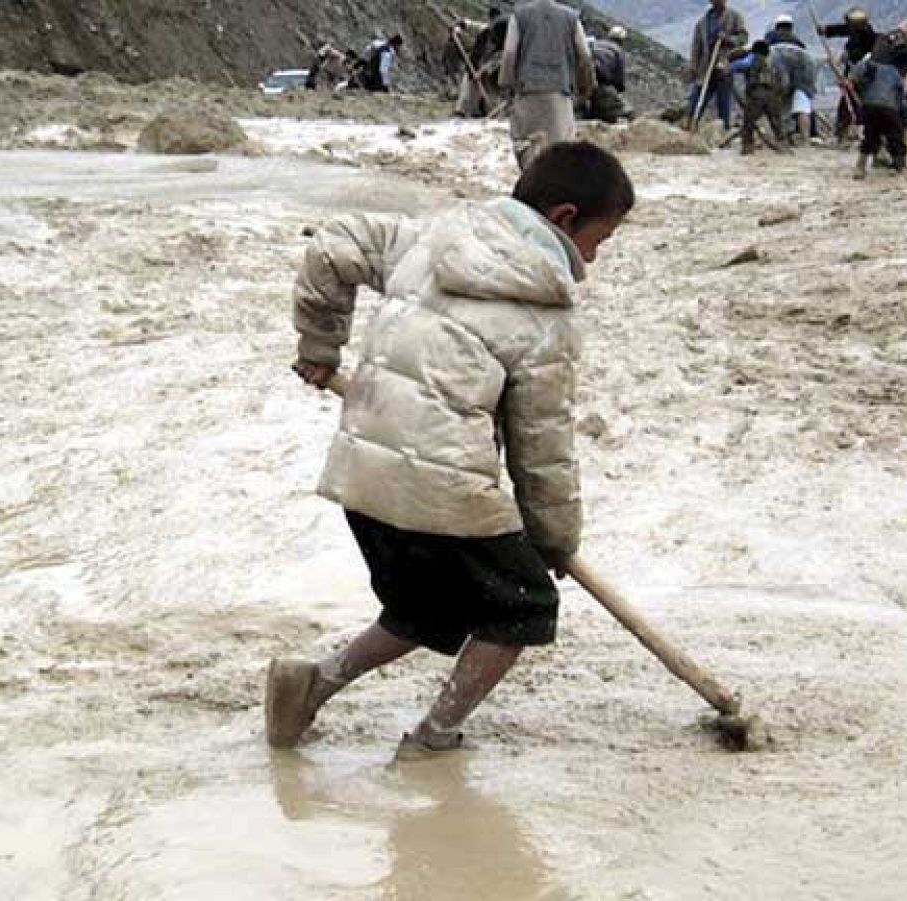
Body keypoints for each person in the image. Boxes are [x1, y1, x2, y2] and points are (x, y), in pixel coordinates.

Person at [270, 141, 635, 758]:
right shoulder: (546, 319)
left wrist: (320, 346)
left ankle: (311, 684)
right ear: (566, 218)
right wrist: (553, 540)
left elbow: (334, 245)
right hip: (440, 490)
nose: (593, 260)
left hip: (360, 473)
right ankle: (434, 739)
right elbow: (541, 450)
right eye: (600, 240)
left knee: (428, 608)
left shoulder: (433, 238)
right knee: (523, 607)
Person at [499, 0, 595, 170]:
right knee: (561, 152)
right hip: (560, 93)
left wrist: (506, 85)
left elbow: (509, 53)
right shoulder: (571, 17)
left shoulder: (519, 15)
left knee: (527, 148)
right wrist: (585, 87)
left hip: (526, 93)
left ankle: (531, 190)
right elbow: (585, 56)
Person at [686, 0, 749, 129]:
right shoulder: (702, 23)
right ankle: (690, 127)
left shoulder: (734, 17)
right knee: (697, 100)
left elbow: (743, 38)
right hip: (705, 69)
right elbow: (696, 47)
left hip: (723, 67)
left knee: (723, 103)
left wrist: (728, 38)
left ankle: (724, 132)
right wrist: (693, 66)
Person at [848, 53, 907, 178]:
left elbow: (852, 80)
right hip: (888, 107)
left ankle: (860, 167)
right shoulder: (893, 71)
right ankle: (899, 166)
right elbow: (901, 93)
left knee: (870, 136)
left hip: (869, 106)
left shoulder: (867, 65)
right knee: (895, 136)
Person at [821, 8, 878, 142]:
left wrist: (852, 77)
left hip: (863, 78)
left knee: (859, 105)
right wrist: (827, 30)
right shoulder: (855, 35)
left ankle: (861, 132)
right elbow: (844, 32)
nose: (848, 27)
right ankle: (842, 134)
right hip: (850, 76)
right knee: (846, 106)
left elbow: (865, 60)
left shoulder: (870, 38)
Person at [730, 41, 790, 155]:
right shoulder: (774, 61)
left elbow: (740, 65)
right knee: (776, 123)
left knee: (749, 122)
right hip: (773, 94)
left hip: (757, 94)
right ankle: (783, 146)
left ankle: (748, 148)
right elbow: (784, 81)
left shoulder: (752, 58)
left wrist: (729, 65)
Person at [770, 39, 820, 144]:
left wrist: (778, 93)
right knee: (787, 105)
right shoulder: (771, 53)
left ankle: (805, 140)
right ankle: (788, 136)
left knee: (801, 105)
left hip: (804, 70)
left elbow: (784, 80)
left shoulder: (772, 58)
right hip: (799, 67)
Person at [585, 26, 631, 123]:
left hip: (582, 78)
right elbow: (619, 78)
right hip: (601, 82)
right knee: (623, 113)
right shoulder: (618, 51)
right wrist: (619, 89)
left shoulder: (597, 43)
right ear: (622, 40)